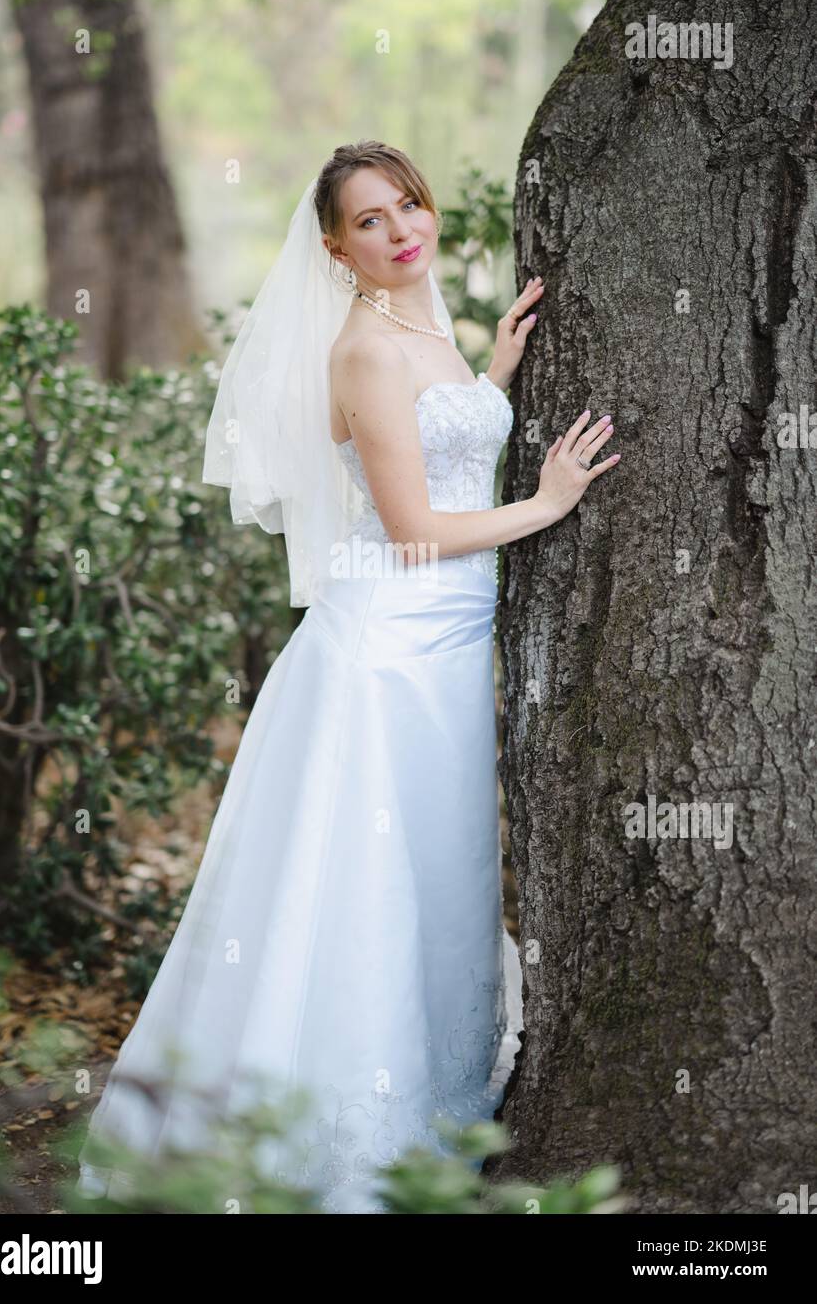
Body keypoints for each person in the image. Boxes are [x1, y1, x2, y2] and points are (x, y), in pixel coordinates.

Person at [76, 141, 619, 1214]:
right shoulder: (364, 348)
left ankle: (424, 1101)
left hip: (445, 646)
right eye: (368, 221)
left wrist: (493, 379)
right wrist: (548, 504)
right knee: (371, 882)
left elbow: (432, 446)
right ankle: (340, 1140)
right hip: (389, 653)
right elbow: (414, 527)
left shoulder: (422, 329)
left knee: (435, 866)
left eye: (406, 204)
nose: (400, 228)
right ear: (336, 249)